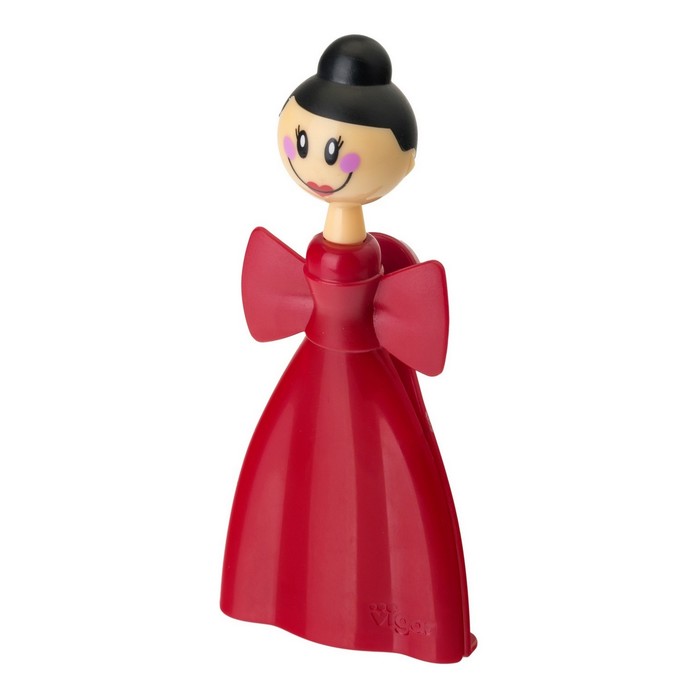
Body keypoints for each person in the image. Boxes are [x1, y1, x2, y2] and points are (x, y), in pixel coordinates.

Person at [220, 35, 476, 663]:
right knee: (290, 475)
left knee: (384, 483)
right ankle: (272, 596)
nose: (315, 164)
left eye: (333, 149)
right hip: (316, 368)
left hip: (361, 377)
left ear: (403, 159)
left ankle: (402, 619)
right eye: (303, 143)